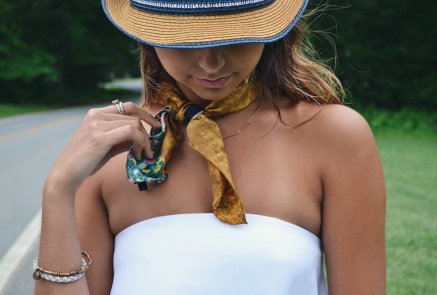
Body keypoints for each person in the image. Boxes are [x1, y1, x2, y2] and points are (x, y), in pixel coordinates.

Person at [34, 0, 386, 294]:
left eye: (233, 35)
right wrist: (59, 189)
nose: (210, 62)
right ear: (149, 34)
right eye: (184, 38)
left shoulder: (333, 137)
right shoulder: (109, 152)